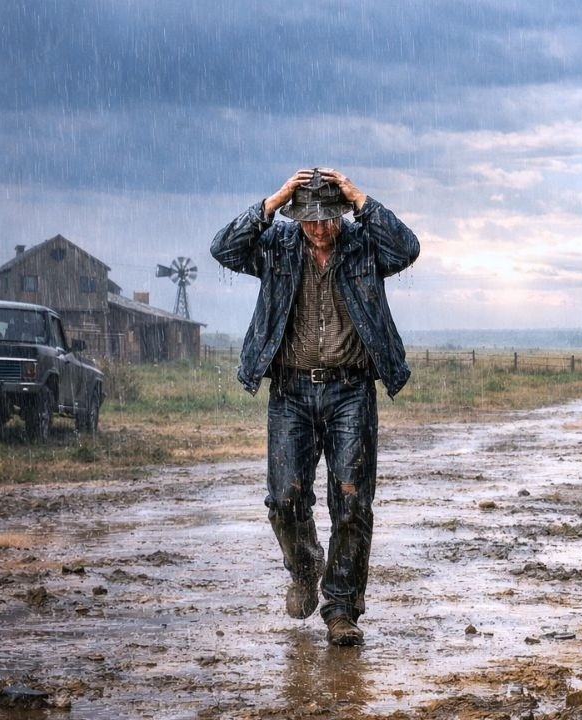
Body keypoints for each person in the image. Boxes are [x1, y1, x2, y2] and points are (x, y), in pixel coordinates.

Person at [212, 168, 420, 646]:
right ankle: (305, 570)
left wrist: (360, 196)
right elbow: (224, 248)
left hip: (351, 390)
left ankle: (341, 609)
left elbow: (406, 248)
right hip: (290, 391)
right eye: (309, 218)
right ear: (296, 215)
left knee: (351, 502)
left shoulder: (364, 244)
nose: (320, 228)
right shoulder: (278, 245)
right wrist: (275, 198)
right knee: (284, 498)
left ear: (343, 213)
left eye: (328, 217)